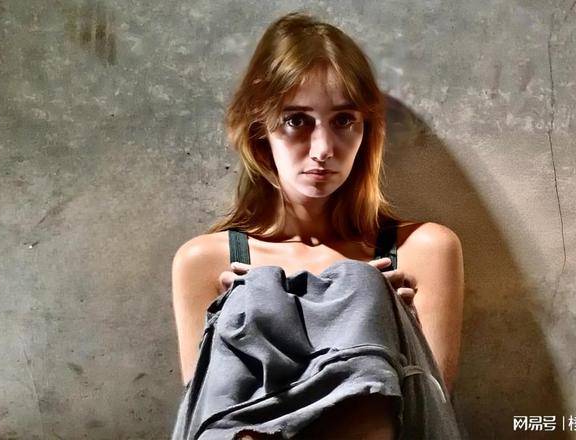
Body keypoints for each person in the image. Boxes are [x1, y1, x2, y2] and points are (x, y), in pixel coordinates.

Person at [171, 12, 465, 439]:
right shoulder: (205, 261)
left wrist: (391, 319)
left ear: (366, 130)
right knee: (252, 296)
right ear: (260, 127)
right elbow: (206, 413)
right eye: (297, 120)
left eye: (344, 120)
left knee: (360, 286)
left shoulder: (423, 250)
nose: (323, 148)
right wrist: (244, 313)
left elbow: (431, 412)